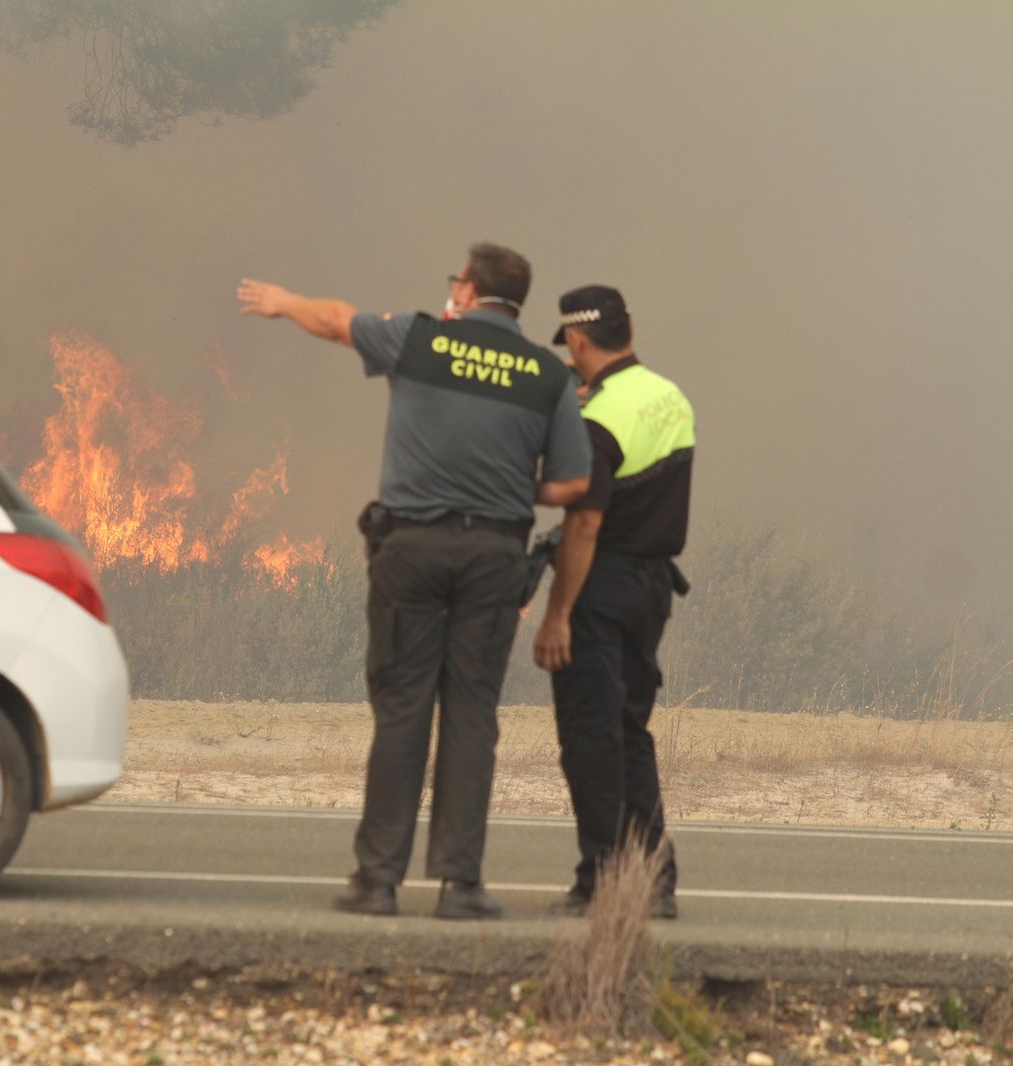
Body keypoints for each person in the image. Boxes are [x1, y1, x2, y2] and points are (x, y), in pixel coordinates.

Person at [237, 243, 591, 920]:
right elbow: (574, 483)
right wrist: (516, 487)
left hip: (413, 550)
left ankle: (378, 882)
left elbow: (337, 320)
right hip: (493, 555)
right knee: (471, 716)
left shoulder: (421, 340)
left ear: (466, 289)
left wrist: (283, 303)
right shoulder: (546, 375)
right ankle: (461, 886)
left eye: (455, 281)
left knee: (402, 711)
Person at [532, 285, 695, 920]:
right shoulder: (667, 395)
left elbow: (584, 523)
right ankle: (654, 879)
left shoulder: (596, 417)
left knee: (589, 736)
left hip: (601, 585)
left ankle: (600, 879)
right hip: (653, 587)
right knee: (629, 730)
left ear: (576, 341)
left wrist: (557, 615)